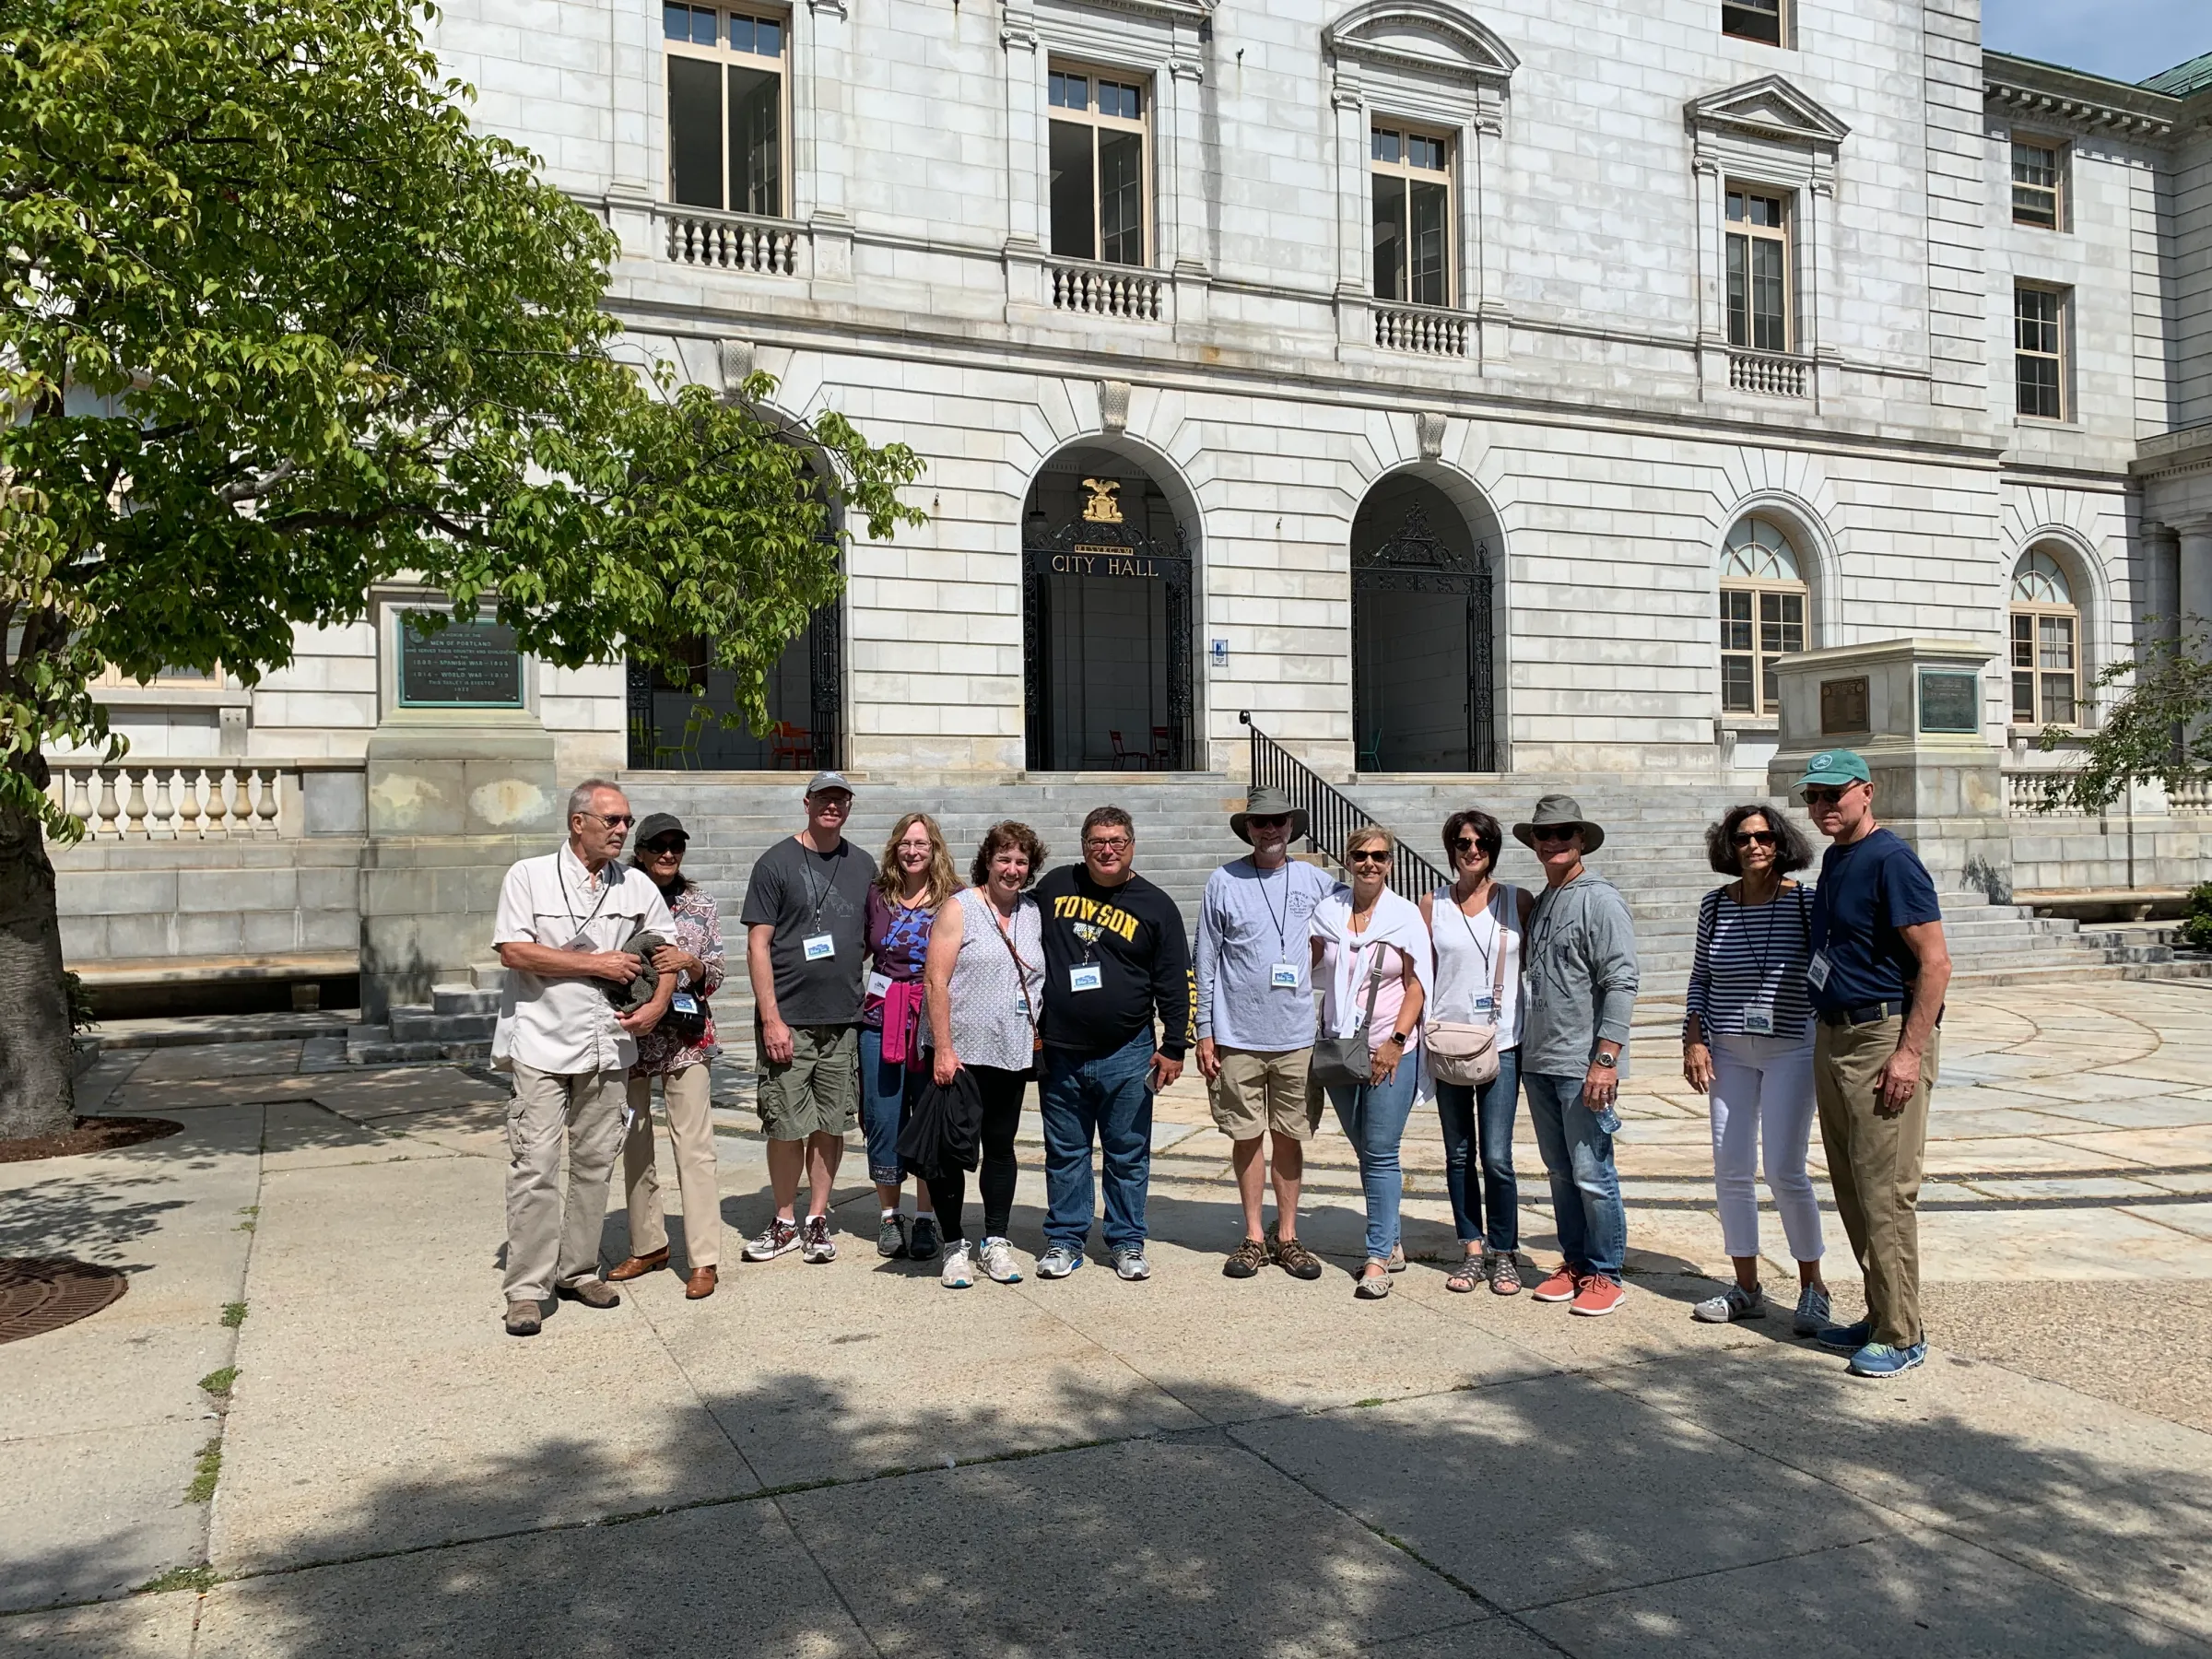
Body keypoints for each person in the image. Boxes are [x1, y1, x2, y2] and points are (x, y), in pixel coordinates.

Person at [488, 780, 677, 1336]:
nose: (623, 830)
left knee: (595, 1165)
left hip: (609, 1046)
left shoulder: (636, 884)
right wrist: (596, 966)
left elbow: (665, 955)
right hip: (542, 1044)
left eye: (625, 821)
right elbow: (513, 950)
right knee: (535, 1167)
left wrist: (657, 1007)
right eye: (612, 821)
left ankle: (576, 1269)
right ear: (579, 823)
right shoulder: (528, 877)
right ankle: (526, 1290)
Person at [1795, 749, 1951, 1380]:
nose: (1824, 806)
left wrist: (1909, 1053)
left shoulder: (1893, 860)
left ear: (1867, 791)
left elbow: (1935, 962)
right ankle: (1882, 1309)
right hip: (1833, 1035)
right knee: (1854, 1187)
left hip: (1882, 1036)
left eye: (1836, 793)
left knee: (1886, 1193)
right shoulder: (1836, 858)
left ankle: (1902, 1333)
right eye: (1813, 796)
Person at [1680, 805, 1830, 1335]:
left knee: (1786, 1169)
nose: (1754, 846)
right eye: (1742, 838)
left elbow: (1825, 969)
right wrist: (1693, 1037)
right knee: (1731, 1167)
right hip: (1729, 1050)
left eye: (1764, 836)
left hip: (1790, 1045)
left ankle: (1813, 1286)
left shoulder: (1807, 904)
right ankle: (1746, 1285)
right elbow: (1701, 975)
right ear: (1730, 846)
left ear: (1780, 842)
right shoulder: (1715, 907)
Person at [1032, 805, 1193, 1282]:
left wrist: (1176, 1045)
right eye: (1098, 842)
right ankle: (1064, 1238)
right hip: (1060, 1050)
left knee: (1127, 1152)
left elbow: (1174, 982)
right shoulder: (1055, 887)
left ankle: (1126, 1241)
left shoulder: (1155, 904)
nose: (1107, 850)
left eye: (1117, 841)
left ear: (1131, 846)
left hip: (1128, 1052)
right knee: (1066, 1151)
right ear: (1083, 847)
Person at [1194, 787, 1335, 1281]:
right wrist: (1204, 1031)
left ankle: (1288, 1235)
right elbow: (1206, 958)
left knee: (1290, 1136)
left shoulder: (1318, 881)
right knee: (1247, 1135)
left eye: (1278, 821)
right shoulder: (1224, 880)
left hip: (1297, 1035)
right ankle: (1254, 1234)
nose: (1270, 829)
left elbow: (1356, 926)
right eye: (1260, 823)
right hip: (1238, 1034)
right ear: (1249, 830)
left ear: (1291, 826)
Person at [740, 771, 876, 1265]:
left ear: (849, 806)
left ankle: (817, 1218)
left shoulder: (862, 864)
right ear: (807, 803)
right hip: (789, 1018)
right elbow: (757, 944)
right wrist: (771, 1019)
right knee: (784, 1122)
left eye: (840, 799)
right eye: (824, 798)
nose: (832, 806)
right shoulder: (775, 862)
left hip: (843, 1017)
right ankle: (782, 1219)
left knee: (830, 1122)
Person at [1516, 794, 1639, 1319]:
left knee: (1592, 1172)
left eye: (1564, 833)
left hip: (1581, 1062)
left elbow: (1621, 979)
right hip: (1539, 1059)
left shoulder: (1599, 899)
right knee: (1560, 1172)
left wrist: (1606, 1058)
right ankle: (1574, 1261)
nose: (1553, 841)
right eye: (1544, 834)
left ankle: (1606, 1271)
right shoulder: (1545, 898)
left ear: (1581, 839)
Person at [923, 821, 1050, 1289]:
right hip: (960, 1054)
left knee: (1000, 1146)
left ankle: (995, 1239)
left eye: (1021, 862)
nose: (1012, 870)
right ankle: (954, 1243)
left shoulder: (1033, 913)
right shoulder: (959, 908)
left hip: (1012, 1050)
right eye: (1004, 860)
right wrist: (943, 1048)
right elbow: (935, 981)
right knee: (953, 1149)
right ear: (988, 862)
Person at [606, 813, 728, 1300]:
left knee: (694, 1148)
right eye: (658, 846)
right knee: (634, 1145)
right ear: (639, 851)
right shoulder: (619, 898)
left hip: (685, 1039)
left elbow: (716, 973)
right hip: (631, 1037)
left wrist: (691, 964)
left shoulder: (699, 904)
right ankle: (648, 1244)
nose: (668, 854)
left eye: (676, 846)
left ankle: (704, 1259)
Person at [1311, 826, 1432, 1299]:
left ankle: (1377, 1257)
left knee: (1381, 1151)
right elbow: (1313, 960)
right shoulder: (1329, 911)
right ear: (1347, 859)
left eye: (1379, 856)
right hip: (1339, 1046)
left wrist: (1398, 1041)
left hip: (1387, 1046)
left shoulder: (1403, 916)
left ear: (1390, 862)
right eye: (1361, 855)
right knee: (1364, 1147)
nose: (1370, 864)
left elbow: (1419, 983)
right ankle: (1394, 1238)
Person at [1418, 809, 1532, 1296]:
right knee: (1459, 1153)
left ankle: (1504, 1251)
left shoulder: (1517, 901)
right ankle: (1471, 1246)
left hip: (1503, 1042)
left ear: (1493, 848)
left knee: (1499, 1155)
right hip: (1447, 1043)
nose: (1472, 850)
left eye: (1481, 842)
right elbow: (1417, 976)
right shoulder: (1431, 905)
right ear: (1451, 849)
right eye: (1463, 842)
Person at [862, 812, 957, 1263]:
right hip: (881, 1018)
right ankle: (889, 1216)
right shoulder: (878, 896)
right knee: (883, 1117)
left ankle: (925, 1218)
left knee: (928, 1120)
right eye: (905, 843)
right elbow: (859, 948)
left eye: (922, 843)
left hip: (932, 1019)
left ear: (934, 848)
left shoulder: (954, 898)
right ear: (894, 848)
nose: (913, 851)